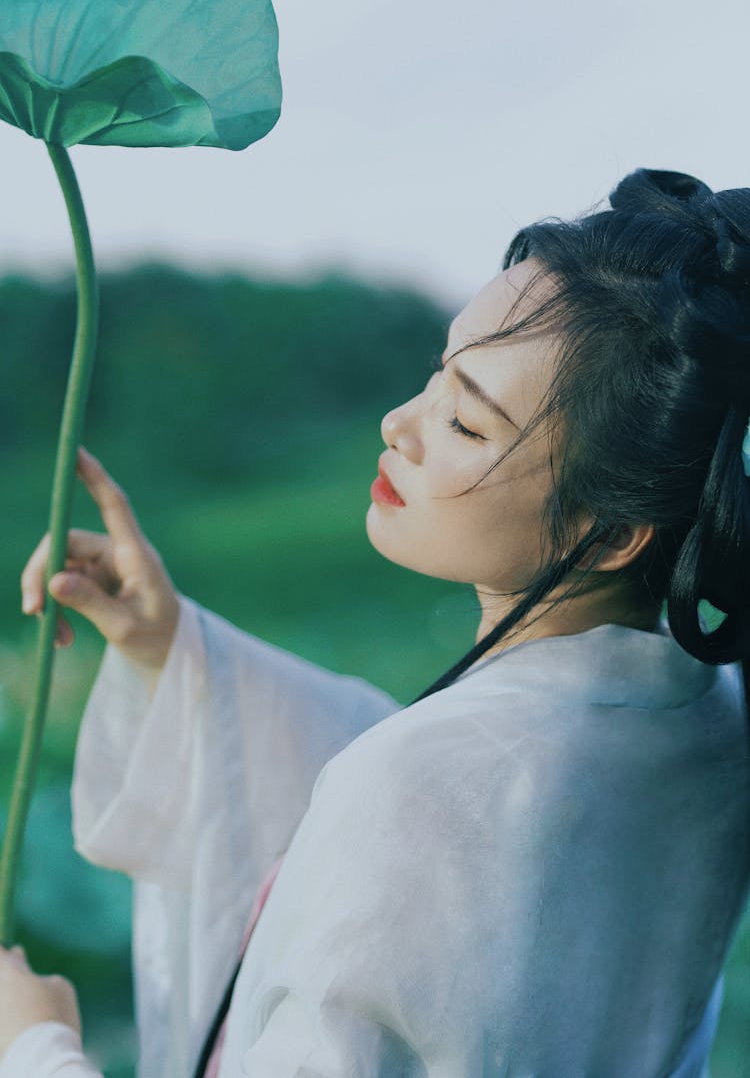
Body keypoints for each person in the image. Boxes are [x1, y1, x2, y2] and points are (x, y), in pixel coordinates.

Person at [1, 167, 749, 1077]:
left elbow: (432, 801)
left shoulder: (425, 789)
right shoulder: (709, 719)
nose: (401, 423)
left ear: (613, 533)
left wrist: (35, 1043)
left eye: (467, 425)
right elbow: (458, 798)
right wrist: (179, 653)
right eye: (440, 374)